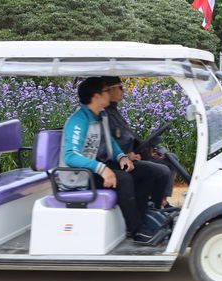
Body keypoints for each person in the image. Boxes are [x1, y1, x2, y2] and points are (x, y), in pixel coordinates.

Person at [59, 76, 166, 245]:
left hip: (93, 169)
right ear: (96, 96)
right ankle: (137, 231)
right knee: (123, 179)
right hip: (78, 176)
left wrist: (122, 156)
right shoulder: (79, 121)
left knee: (147, 172)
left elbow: (111, 143)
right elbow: (71, 156)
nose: (110, 93)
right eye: (106, 91)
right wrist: (102, 169)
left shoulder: (100, 116)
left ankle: (141, 220)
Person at [100, 76, 175, 210]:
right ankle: (156, 208)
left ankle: (161, 201)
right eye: (120, 88)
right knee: (162, 170)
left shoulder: (114, 111)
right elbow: (108, 145)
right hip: (119, 163)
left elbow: (129, 137)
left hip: (131, 156)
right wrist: (126, 156)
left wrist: (148, 150)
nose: (123, 91)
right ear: (110, 90)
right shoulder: (103, 114)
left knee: (170, 159)